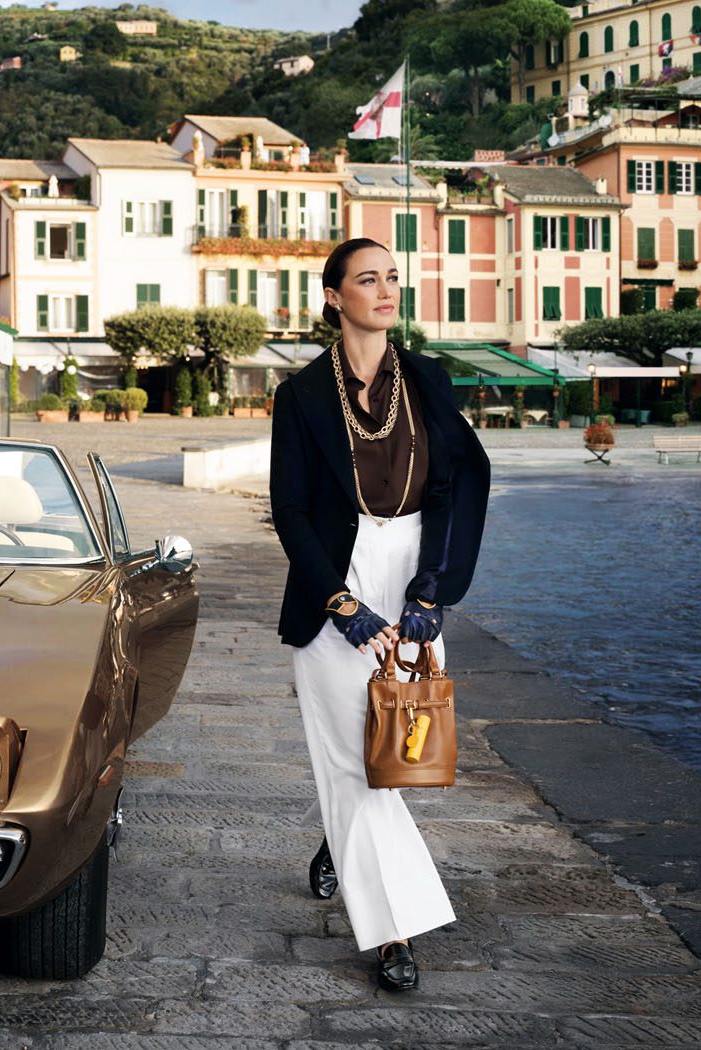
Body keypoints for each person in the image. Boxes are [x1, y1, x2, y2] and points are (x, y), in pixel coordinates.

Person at [269, 238, 490, 991]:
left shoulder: (428, 379)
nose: (387, 289)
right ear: (334, 296)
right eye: (368, 279)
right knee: (350, 762)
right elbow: (290, 509)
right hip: (336, 575)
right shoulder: (300, 395)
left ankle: (339, 843)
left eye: (394, 276)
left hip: (412, 570)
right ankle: (393, 931)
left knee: (396, 744)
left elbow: (454, 485)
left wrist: (432, 591)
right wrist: (342, 603)